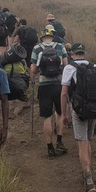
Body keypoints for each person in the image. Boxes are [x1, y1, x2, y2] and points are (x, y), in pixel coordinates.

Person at [61, 43, 96, 192]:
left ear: (72, 53)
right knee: (87, 140)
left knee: (82, 142)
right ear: (84, 53)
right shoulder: (95, 66)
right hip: (94, 109)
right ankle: (89, 172)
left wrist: (64, 113)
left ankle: (88, 179)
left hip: (79, 110)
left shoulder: (69, 68)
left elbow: (64, 93)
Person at [30, 26, 69, 158]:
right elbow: (65, 64)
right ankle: (59, 141)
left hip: (44, 84)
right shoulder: (60, 46)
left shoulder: (37, 48)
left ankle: (50, 148)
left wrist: (34, 79)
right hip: (58, 84)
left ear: (42, 36)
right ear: (53, 36)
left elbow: (34, 70)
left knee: (47, 116)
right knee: (59, 113)